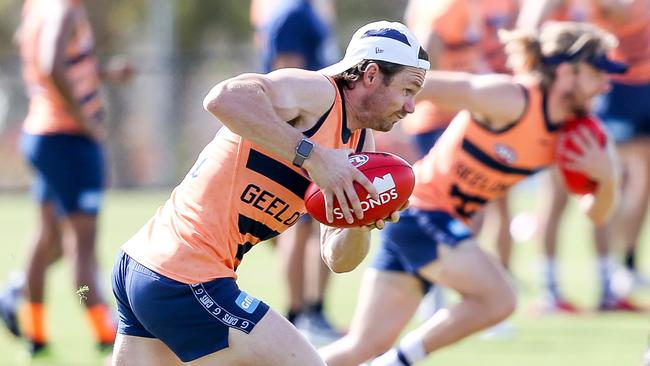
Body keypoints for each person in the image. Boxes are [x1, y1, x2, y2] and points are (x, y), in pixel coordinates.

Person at [110, 21, 430, 366]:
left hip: (150, 267)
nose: (411, 107)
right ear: (370, 75)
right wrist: (314, 157)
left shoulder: (359, 144)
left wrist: (363, 220)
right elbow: (222, 98)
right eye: (407, 90)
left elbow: (338, 259)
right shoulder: (316, 93)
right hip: (183, 273)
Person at [319, 21, 621, 366]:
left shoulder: (573, 133)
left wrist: (607, 178)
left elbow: (597, 215)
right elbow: (421, 86)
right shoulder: (511, 99)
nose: (605, 85)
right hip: (419, 212)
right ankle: (396, 362)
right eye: (599, 73)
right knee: (501, 298)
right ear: (568, 71)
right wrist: (346, 107)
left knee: (361, 348)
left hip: (417, 221)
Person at [0, 0, 132, 357]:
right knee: (82, 249)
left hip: (42, 136)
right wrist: (85, 120)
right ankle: (106, 333)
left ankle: (36, 334)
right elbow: (49, 64)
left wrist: (100, 74)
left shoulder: (37, 7)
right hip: (69, 140)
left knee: (46, 238)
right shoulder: (64, 9)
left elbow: (46, 59)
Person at [517, 0, 650, 312]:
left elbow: (625, 15)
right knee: (556, 196)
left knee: (600, 184)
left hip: (586, 102)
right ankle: (550, 291)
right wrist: (545, 85)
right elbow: (529, 28)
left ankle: (606, 288)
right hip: (557, 101)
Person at [253, 0, 343, 344]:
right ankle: (300, 314)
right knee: (301, 225)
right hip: (305, 132)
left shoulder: (311, 11)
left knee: (317, 222)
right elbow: (284, 77)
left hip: (315, 130)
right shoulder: (293, 12)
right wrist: (298, 143)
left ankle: (311, 312)